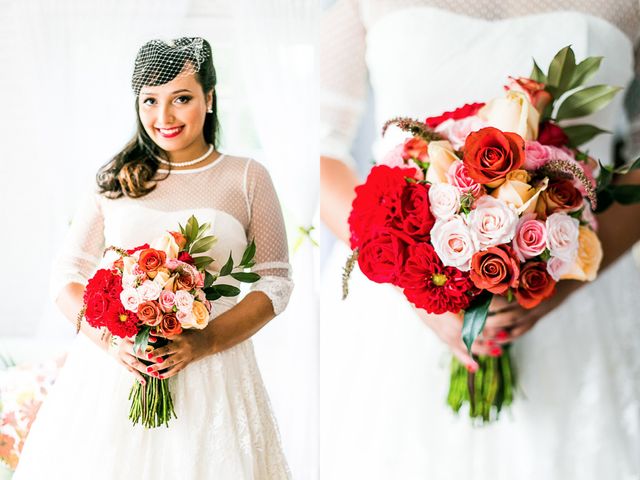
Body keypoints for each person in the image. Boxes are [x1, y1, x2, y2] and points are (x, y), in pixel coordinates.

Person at [320, 2, 640, 479]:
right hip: (398, 306)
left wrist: (556, 285)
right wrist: (406, 271)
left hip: (580, 292)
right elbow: (318, 147)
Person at [14, 37, 293, 479]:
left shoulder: (247, 177)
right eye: (150, 100)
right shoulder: (114, 178)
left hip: (215, 371)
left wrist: (205, 342)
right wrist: (110, 342)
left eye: (181, 98)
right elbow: (66, 275)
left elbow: (275, 281)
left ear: (210, 97)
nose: (163, 117)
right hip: (115, 374)